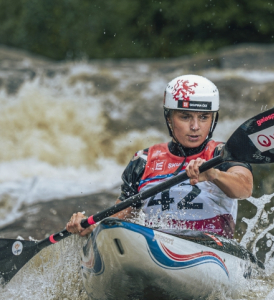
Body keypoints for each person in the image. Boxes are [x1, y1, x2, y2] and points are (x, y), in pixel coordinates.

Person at [67, 74, 253, 239]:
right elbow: (120, 217)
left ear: (213, 119)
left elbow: (245, 188)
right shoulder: (144, 160)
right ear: (169, 118)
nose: (195, 126)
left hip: (211, 246)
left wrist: (214, 175)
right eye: (185, 117)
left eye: (204, 117)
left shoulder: (224, 154)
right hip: (155, 244)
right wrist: (91, 225)